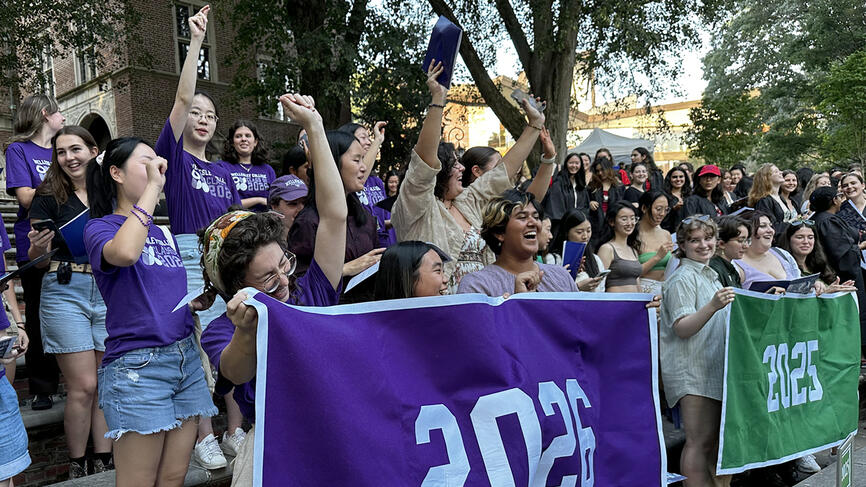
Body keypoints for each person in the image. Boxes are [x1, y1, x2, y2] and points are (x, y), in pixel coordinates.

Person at [199, 93, 347, 486]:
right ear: (236, 287)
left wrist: (315, 128)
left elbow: (335, 215)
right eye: (267, 279)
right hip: (273, 451)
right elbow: (234, 369)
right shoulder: (223, 331)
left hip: (339, 442)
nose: (284, 281)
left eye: (284, 264)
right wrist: (246, 330)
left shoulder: (312, 291)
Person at [83, 136, 218, 486]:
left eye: (157, 162)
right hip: (138, 368)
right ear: (116, 173)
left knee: (173, 477)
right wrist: (153, 189)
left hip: (184, 360)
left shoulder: (164, 233)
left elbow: (155, 294)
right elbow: (126, 254)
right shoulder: (100, 227)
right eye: (145, 161)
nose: (157, 167)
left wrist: (191, 304)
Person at [153, 5, 241, 469]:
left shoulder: (225, 172)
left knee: (232, 341)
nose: (203, 119)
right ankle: (206, 435)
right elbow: (182, 99)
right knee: (199, 348)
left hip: (226, 260)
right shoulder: (176, 159)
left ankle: (235, 429)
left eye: (212, 114)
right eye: (197, 113)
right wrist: (195, 45)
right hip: (189, 259)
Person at [391, 61, 547, 292]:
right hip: (441, 307)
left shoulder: (467, 203)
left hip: (484, 300)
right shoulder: (417, 207)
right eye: (455, 164)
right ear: (439, 172)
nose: (462, 168)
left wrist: (534, 125)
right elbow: (422, 165)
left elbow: (502, 173)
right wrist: (438, 100)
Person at [27, 126, 112, 477]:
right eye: (61, 152)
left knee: (105, 381)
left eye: (75, 149)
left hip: (107, 289)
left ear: (93, 151)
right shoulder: (47, 196)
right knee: (84, 386)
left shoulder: (109, 191)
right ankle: (78, 463)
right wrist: (37, 248)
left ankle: (104, 460)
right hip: (65, 289)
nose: (68, 158)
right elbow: (38, 259)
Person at [660, 215, 735, 487]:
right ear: (682, 244)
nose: (703, 245)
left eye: (707, 238)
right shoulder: (682, 277)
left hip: (714, 366)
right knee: (698, 442)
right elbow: (682, 327)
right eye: (694, 240)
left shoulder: (711, 274)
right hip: (693, 370)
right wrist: (713, 305)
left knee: (711, 442)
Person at [4, 94, 63, 411]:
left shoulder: (61, 151)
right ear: (45, 114)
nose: (63, 118)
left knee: (66, 314)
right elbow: (27, 198)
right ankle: (43, 388)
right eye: (59, 113)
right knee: (40, 317)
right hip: (36, 245)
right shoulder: (18, 150)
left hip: (67, 243)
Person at [287, 129, 382, 301]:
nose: (364, 167)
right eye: (356, 160)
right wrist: (344, 269)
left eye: (363, 159)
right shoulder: (308, 222)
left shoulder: (364, 217)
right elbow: (296, 284)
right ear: (332, 164)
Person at [457, 191, 578, 296]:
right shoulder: (476, 285)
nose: (533, 223)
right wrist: (517, 303)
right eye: (522, 217)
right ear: (500, 232)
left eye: (536, 217)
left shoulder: (561, 276)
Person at [811, 186, 866, 361]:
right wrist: (859, 248)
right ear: (834, 200)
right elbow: (841, 253)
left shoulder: (821, 219)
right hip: (842, 278)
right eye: (839, 196)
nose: (841, 199)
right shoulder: (827, 221)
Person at [338, 121, 395, 248]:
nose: (369, 142)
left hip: (383, 241)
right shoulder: (348, 181)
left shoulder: (376, 181)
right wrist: (378, 141)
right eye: (363, 137)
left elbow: (381, 218)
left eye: (370, 138)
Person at [219, 120, 275, 212]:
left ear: (255, 142)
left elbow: (275, 201)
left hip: (264, 222)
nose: (243, 139)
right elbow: (223, 203)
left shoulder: (268, 170)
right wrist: (259, 200)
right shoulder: (222, 168)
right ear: (232, 142)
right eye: (238, 136)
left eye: (248, 136)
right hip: (236, 222)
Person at [548, 209, 606, 291]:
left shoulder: (595, 259)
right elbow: (551, 292)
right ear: (567, 232)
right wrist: (577, 287)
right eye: (579, 232)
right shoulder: (553, 259)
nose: (585, 236)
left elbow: (601, 291)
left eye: (588, 231)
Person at [374, 241, 450, 300]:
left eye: (443, 271)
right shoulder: (371, 319)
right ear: (407, 278)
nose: (446, 279)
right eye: (438, 270)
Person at [597, 202, 642, 293]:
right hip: (615, 303)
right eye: (624, 219)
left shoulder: (633, 250)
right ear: (612, 222)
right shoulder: (607, 249)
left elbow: (637, 281)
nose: (630, 223)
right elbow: (598, 282)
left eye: (633, 218)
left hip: (634, 303)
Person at [637, 190, 674, 295]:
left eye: (666, 210)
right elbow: (631, 273)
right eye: (658, 209)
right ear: (644, 208)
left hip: (665, 288)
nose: (662, 214)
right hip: (643, 289)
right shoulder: (634, 234)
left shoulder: (666, 234)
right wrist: (658, 257)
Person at [543, 152, 589, 237]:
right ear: (566, 164)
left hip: (578, 226)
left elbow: (585, 205)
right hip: (562, 228)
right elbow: (556, 206)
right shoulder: (559, 182)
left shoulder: (580, 184)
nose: (574, 166)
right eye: (571, 163)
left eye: (577, 163)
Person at [586, 158, 625, 248]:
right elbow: (584, 202)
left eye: (602, 170)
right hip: (596, 225)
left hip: (613, 225)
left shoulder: (618, 186)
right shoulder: (592, 186)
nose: (600, 173)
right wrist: (590, 203)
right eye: (597, 171)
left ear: (608, 169)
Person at [709, 216, 750, 288]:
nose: (746, 246)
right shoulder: (713, 269)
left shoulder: (730, 269)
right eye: (740, 241)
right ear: (721, 244)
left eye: (747, 241)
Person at [267, 175, 307, 241]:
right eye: (293, 204)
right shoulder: (262, 242)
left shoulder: (316, 237)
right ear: (274, 206)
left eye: (305, 203)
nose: (301, 209)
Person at [836, 173, 866, 255]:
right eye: (845, 185)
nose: (849, 187)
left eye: (853, 183)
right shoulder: (839, 211)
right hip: (855, 258)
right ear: (842, 189)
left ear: (863, 185)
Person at [662, 166, 691, 233]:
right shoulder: (664, 196)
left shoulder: (690, 195)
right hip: (671, 233)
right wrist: (673, 209)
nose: (678, 179)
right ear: (669, 179)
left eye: (681, 177)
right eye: (674, 177)